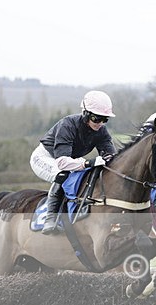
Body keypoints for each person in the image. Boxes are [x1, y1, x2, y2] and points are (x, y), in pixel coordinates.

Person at [30, 90, 117, 235]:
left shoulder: (101, 131)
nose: (100, 123)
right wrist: (87, 163)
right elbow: (62, 163)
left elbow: (111, 157)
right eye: (96, 118)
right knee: (62, 174)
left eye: (105, 119)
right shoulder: (68, 125)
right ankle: (50, 218)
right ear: (86, 114)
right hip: (45, 158)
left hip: (68, 160)